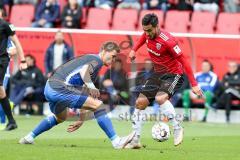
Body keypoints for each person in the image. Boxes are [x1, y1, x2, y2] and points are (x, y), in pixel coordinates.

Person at [19, 41, 136, 149]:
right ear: (104, 51)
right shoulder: (96, 60)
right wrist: (92, 86)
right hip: (59, 87)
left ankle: (29, 137)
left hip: (49, 88)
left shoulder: (90, 59)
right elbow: (84, 72)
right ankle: (116, 141)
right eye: (113, 56)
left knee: (60, 117)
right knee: (99, 105)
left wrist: (81, 118)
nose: (114, 60)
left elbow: (83, 93)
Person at [127, 13, 203, 148]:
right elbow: (142, 38)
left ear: (157, 27)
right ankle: (135, 140)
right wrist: (133, 50)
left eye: (149, 30)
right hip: (158, 73)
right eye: (144, 30)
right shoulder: (147, 33)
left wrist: (194, 84)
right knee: (140, 103)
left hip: (174, 74)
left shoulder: (168, 41)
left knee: (160, 98)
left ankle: (178, 128)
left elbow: (184, 61)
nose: (147, 33)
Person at [0, 8, 27, 131]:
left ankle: (7, 120)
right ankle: (11, 121)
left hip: (2, 62)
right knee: (1, 92)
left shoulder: (5, 25)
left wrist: (23, 60)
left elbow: (16, 44)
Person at [0, 38, 16, 130]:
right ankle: (8, 104)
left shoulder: (6, 39)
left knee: (1, 95)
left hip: (3, 72)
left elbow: (14, 51)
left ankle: (2, 122)